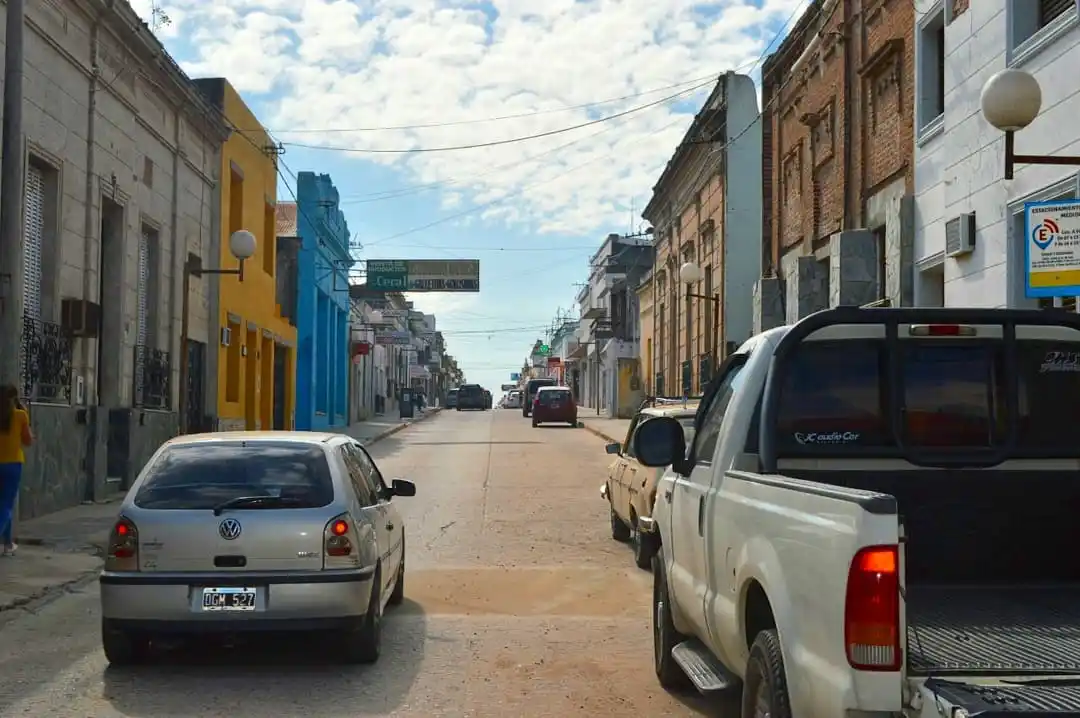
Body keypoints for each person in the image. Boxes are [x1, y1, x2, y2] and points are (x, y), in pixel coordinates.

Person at [0, 385, 32, 556]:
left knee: (4, 504)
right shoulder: (20, 415)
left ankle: (7, 544)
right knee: (6, 504)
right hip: (13, 464)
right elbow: (27, 441)